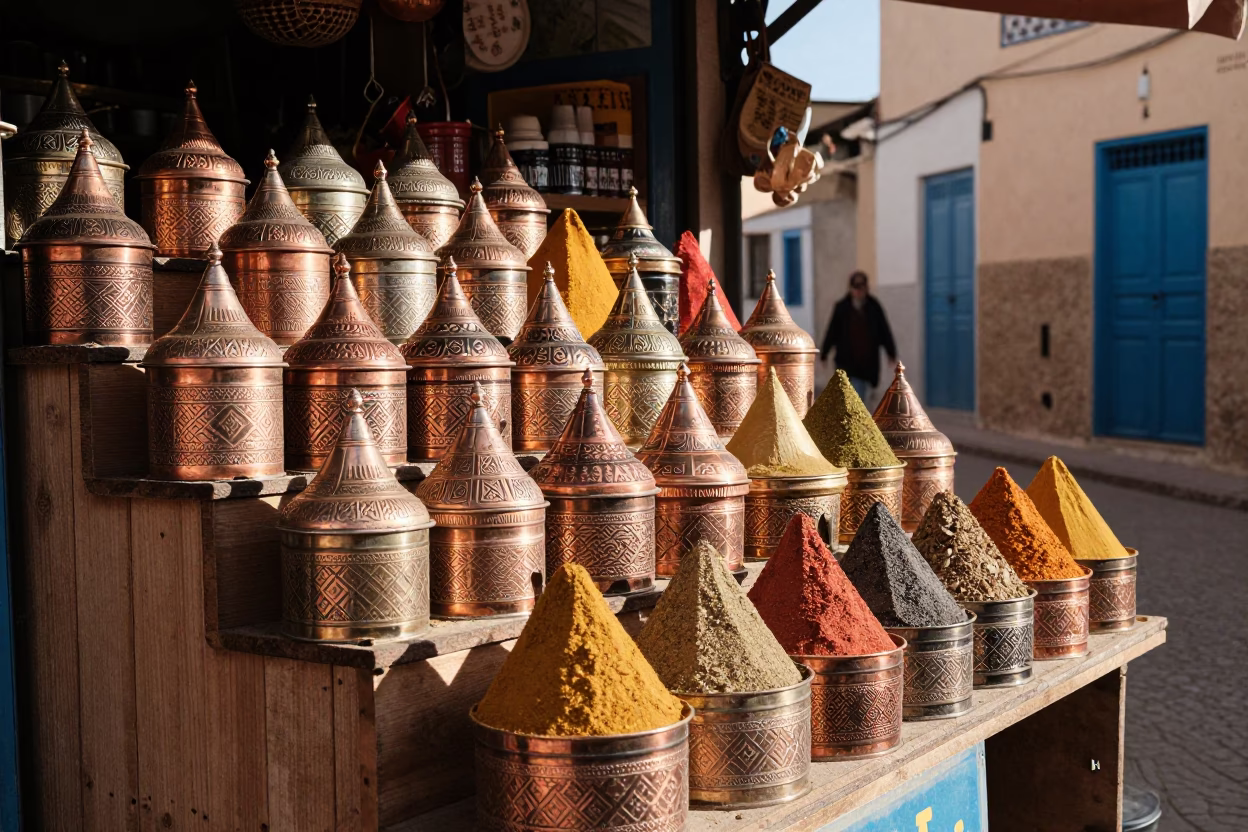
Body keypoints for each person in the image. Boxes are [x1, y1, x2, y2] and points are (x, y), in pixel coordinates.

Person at [819, 271, 898, 405]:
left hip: (868, 364)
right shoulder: (842, 308)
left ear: (866, 288)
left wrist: (891, 353)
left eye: (862, 288)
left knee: (861, 400)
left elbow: (884, 330)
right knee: (854, 400)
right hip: (847, 363)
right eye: (856, 288)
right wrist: (824, 354)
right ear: (851, 289)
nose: (859, 291)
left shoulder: (874, 307)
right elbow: (832, 331)